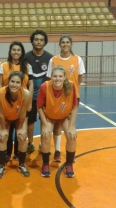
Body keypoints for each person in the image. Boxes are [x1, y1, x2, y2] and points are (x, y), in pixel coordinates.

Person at [46, 34, 85, 163]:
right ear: (60, 44)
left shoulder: (77, 59)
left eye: (67, 42)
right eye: (63, 42)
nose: (65, 44)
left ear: (71, 44)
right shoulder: (53, 60)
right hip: (56, 97)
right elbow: (49, 79)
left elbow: (79, 78)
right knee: (57, 124)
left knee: (69, 125)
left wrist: (72, 91)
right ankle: (57, 151)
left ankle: (70, 152)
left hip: (71, 97)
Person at [37, 66, 78, 178]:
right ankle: (45, 164)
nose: (57, 79)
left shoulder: (71, 86)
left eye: (60, 76)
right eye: (55, 76)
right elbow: (39, 107)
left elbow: (75, 106)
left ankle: (69, 164)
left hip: (64, 116)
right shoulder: (44, 86)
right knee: (45, 135)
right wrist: (45, 124)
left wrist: (72, 126)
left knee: (71, 135)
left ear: (65, 77)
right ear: (51, 77)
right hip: (50, 116)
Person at [0, 41, 33, 161]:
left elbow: (31, 84)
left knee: (20, 128)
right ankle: (7, 153)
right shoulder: (4, 65)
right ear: (10, 52)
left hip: (22, 100)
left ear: (22, 52)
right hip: (7, 100)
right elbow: (0, 84)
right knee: (8, 128)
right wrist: (1, 100)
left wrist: (30, 102)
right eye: (14, 50)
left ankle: (18, 153)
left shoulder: (27, 66)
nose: (16, 52)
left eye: (19, 50)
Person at [0, 71, 32, 179]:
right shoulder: (0, 93)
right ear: (8, 82)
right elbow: (1, 114)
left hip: (19, 117)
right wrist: (3, 129)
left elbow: (23, 113)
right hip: (5, 117)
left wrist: (20, 128)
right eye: (12, 81)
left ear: (21, 84)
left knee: (21, 138)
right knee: (3, 138)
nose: (14, 84)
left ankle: (22, 164)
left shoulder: (26, 94)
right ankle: (1, 165)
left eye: (17, 82)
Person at [25, 30, 53, 154]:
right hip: (29, 96)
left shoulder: (50, 58)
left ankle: (43, 143)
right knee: (30, 121)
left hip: (45, 97)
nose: (39, 42)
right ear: (32, 41)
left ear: (45, 42)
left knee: (44, 121)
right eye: (36, 39)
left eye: (41, 40)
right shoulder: (26, 57)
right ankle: (30, 143)